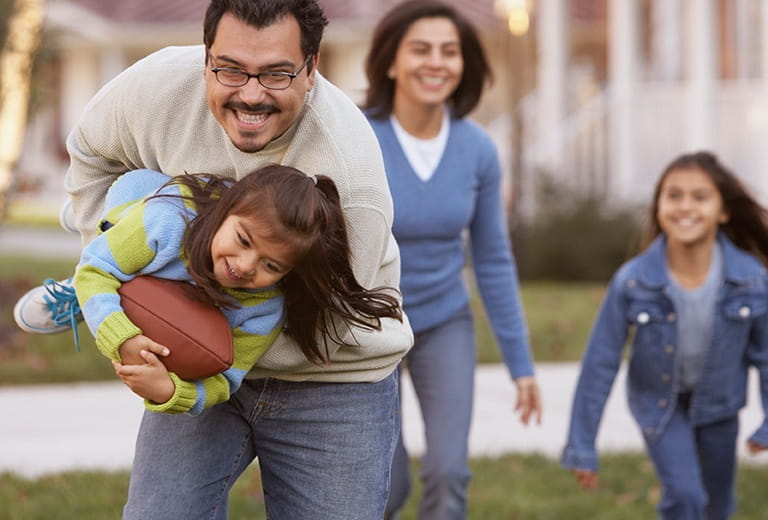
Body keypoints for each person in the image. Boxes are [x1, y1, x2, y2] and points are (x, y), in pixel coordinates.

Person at [14, 0, 414, 518]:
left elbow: (322, 321)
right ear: (206, 57)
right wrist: (123, 273)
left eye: (276, 74)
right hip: (199, 329)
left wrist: (196, 346)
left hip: (329, 372)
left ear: (311, 70)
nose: (250, 94)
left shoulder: (351, 180)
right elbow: (91, 151)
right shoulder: (155, 87)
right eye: (230, 69)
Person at [363, 1, 542, 517]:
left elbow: (493, 260)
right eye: (420, 49)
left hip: (444, 322)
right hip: (367, 326)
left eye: (449, 51)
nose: (436, 62)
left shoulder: (478, 150)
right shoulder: (357, 138)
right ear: (392, 61)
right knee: (383, 483)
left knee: (449, 471)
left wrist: (521, 364)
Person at [73, 166, 402, 414]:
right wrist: (123, 337)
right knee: (105, 259)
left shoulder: (264, 307)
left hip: (177, 284)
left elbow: (225, 380)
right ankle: (70, 292)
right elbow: (93, 273)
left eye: (271, 265)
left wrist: (170, 391)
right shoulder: (166, 221)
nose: (245, 266)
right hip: (137, 198)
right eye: (243, 240)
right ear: (225, 211)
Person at [561, 151, 768, 519]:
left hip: (721, 407)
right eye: (673, 195)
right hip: (660, 406)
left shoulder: (750, 279)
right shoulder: (634, 280)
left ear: (723, 212)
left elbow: (766, 356)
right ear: (658, 205)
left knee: (717, 507)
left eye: (700, 197)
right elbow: (600, 362)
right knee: (686, 496)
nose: (685, 206)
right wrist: (582, 444)